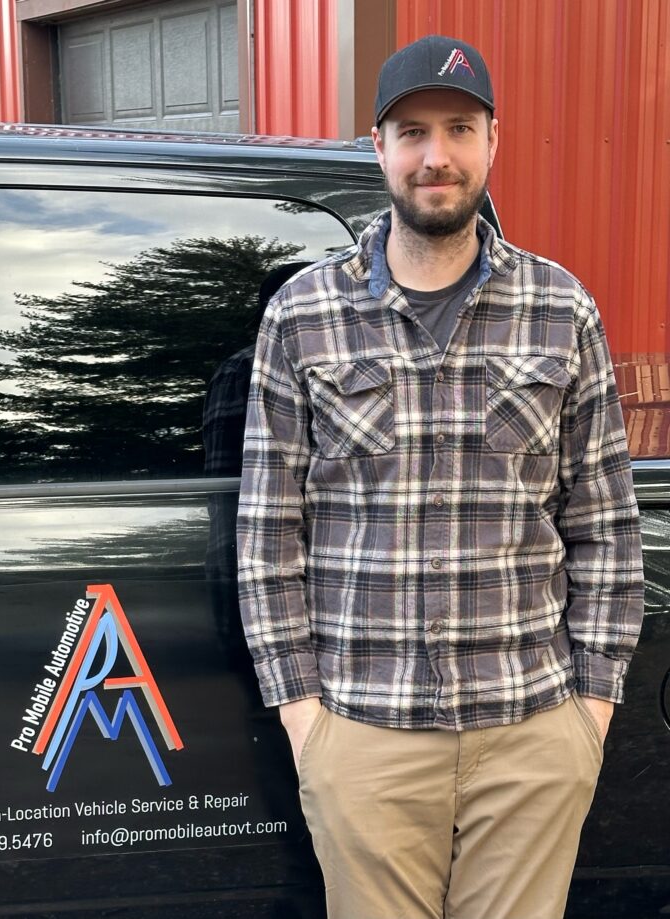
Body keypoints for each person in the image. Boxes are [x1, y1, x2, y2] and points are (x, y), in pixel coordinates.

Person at [237, 33, 644, 919]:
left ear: (493, 141)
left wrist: (589, 716)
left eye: (459, 128)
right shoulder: (303, 315)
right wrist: (310, 726)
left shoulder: (561, 309)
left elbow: (606, 524)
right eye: (412, 131)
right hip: (364, 734)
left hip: (531, 732)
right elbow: (269, 535)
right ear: (378, 145)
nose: (437, 156)